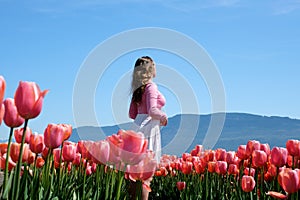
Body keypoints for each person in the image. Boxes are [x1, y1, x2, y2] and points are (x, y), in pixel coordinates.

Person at [128, 56, 168, 199]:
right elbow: (152, 110)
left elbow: (131, 114)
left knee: (134, 173)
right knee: (146, 176)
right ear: (150, 69)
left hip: (137, 127)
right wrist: (163, 117)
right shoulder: (151, 86)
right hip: (149, 128)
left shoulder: (137, 88)